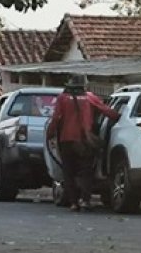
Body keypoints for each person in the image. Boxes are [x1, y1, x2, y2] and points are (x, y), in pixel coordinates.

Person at [46, 75, 121, 212]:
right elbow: (107, 111)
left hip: (66, 140)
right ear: (84, 85)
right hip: (84, 141)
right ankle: (85, 201)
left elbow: (56, 118)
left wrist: (50, 134)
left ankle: (74, 203)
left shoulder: (62, 98)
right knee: (86, 172)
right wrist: (119, 118)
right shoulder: (89, 97)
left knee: (68, 172)